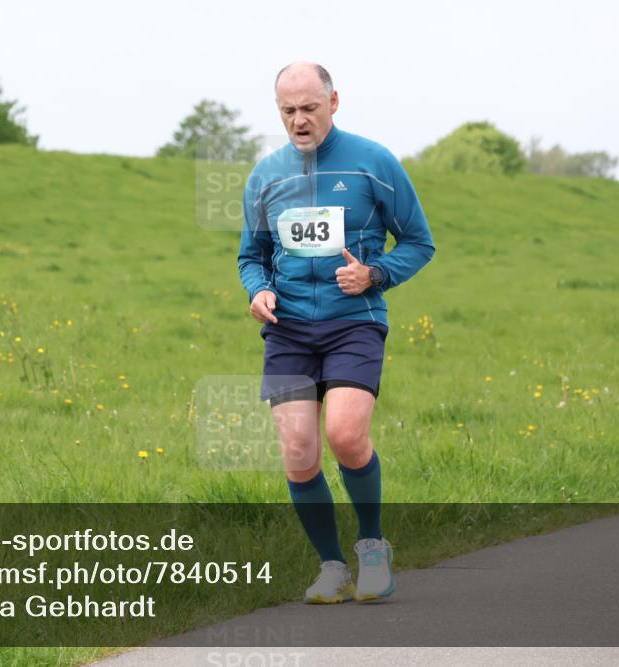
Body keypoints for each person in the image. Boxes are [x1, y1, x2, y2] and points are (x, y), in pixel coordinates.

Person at [237, 62, 435, 603]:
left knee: (346, 436)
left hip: (354, 324)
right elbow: (250, 256)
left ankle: (372, 547)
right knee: (299, 450)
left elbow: (418, 242)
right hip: (289, 330)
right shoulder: (266, 175)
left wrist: (375, 274)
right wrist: (257, 291)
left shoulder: (374, 162)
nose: (299, 120)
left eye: (309, 108)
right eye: (288, 111)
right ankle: (331, 566)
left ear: (334, 102)